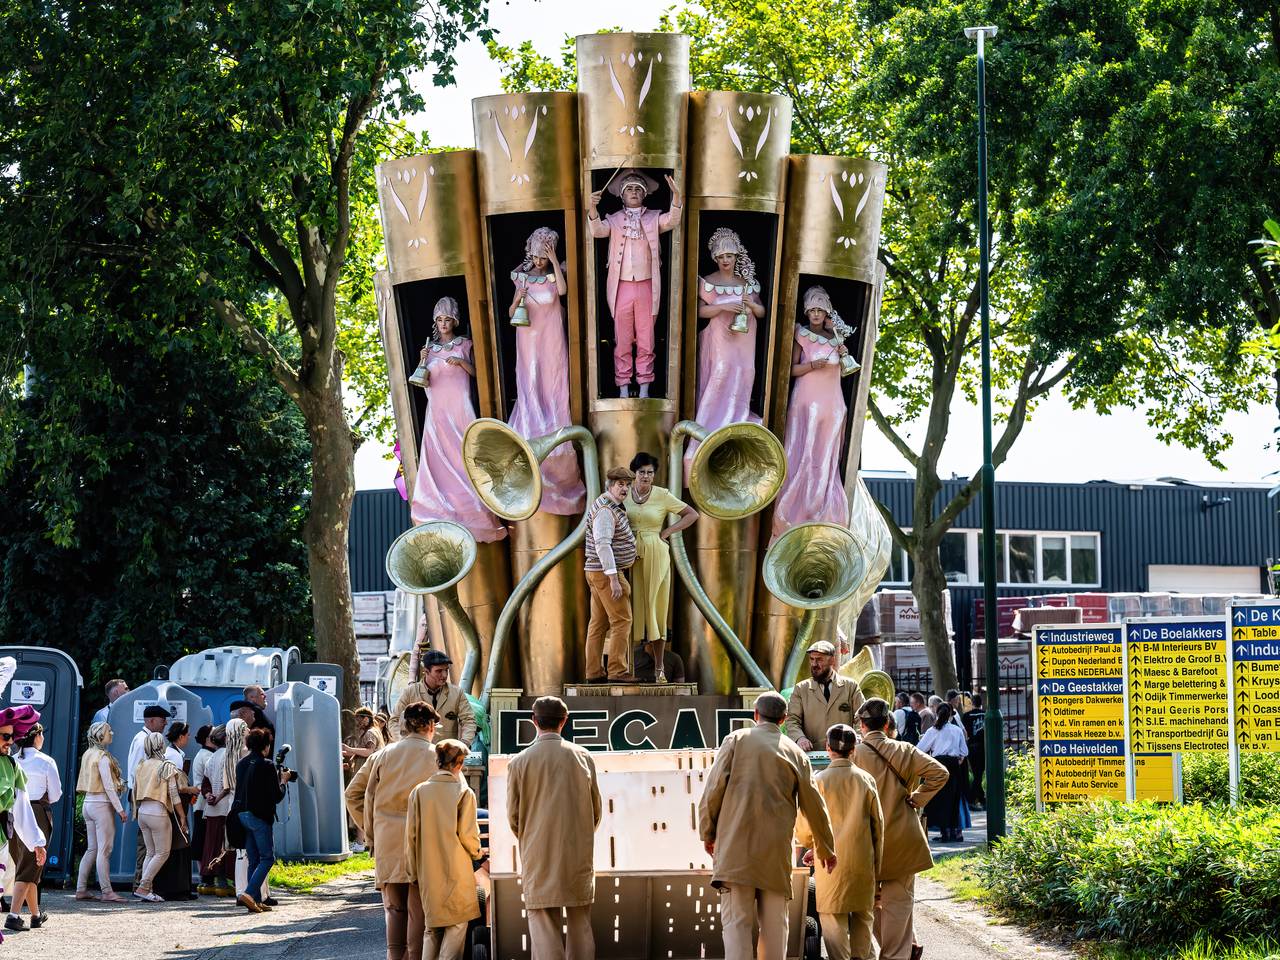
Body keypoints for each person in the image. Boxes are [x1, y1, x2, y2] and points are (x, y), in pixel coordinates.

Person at [698, 691, 836, 960]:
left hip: (735, 854)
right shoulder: (795, 752)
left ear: (755, 715)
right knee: (775, 929)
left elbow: (712, 791)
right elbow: (814, 805)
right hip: (775, 856)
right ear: (783, 720)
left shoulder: (736, 740)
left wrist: (708, 833)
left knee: (736, 926)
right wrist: (826, 848)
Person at [852, 699, 948, 960]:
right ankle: (897, 954)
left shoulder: (854, 754)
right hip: (903, 839)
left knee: (865, 904)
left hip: (865, 840)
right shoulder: (905, 750)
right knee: (899, 905)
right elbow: (940, 773)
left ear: (862, 725)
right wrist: (917, 798)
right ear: (886, 724)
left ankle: (894, 948)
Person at [506, 696, 601, 960]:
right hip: (577, 852)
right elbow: (596, 810)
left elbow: (513, 816)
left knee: (544, 923)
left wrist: (530, 836)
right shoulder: (583, 757)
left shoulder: (519, 761)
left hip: (538, 853)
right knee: (580, 923)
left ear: (534, 721)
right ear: (564, 721)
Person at [410, 296, 507, 540]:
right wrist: (422, 359)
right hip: (438, 410)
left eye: (447, 319)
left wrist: (461, 362)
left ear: (454, 321)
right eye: (439, 320)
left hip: (460, 407)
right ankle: (440, 509)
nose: (443, 324)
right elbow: (423, 382)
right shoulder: (429, 348)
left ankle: (475, 509)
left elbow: (477, 374)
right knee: (439, 456)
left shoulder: (465, 344)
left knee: (465, 452)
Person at [507, 226, 585, 514]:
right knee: (530, 379)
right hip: (527, 336)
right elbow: (510, 311)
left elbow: (563, 291)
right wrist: (519, 296)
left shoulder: (554, 273)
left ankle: (553, 430)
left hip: (551, 335)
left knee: (553, 380)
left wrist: (553, 261)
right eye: (537, 257)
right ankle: (530, 426)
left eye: (543, 257)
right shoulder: (523, 277)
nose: (539, 262)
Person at [587, 169, 683, 398]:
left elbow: (672, 221)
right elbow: (598, 231)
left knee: (646, 338)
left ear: (644, 194)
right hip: (621, 286)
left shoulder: (653, 216)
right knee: (621, 339)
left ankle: (644, 389)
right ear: (621, 195)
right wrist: (592, 207)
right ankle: (622, 388)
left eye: (637, 189)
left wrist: (677, 198)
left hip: (647, 285)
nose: (633, 192)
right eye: (629, 189)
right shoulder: (614, 218)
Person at [771, 286, 856, 540]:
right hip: (806, 403)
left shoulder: (837, 339)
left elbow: (844, 372)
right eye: (813, 310)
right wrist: (810, 365)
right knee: (803, 452)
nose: (816, 314)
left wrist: (842, 353)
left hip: (832, 403)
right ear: (807, 312)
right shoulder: (801, 334)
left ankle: (821, 512)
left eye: (820, 310)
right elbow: (790, 370)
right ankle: (795, 513)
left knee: (825, 454)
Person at [361, 701, 441, 960]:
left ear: (404, 725)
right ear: (431, 726)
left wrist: (370, 832)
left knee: (394, 909)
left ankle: (394, 957)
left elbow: (363, 796)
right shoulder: (438, 755)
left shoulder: (384, 755)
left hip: (387, 839)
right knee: (418, 909)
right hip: (423, 840)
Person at [796, 725, 883, 960]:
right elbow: (878, 829)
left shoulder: (819, 781)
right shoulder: (866, 780)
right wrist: (878, 870)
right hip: (862, 863)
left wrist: (811, 846)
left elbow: (804, 828)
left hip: (829, 865)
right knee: (864, 918)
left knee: (832, 920)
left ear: (827, 748)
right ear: (854, 750)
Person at [687, 227, 765, 463]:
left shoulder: (749, 285)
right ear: (715, 258)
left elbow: (762, 313)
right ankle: (709, 431)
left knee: (745, 374)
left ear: (736, 257)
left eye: (729, 257)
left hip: (745, 339)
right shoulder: (708, 282)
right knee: (721, 373)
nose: (725, 261)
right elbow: (700, 311)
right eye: (720, 257)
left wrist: (750, 305)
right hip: (720, 338)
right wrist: (722, 307)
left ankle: (736, 426)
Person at [624, 451, 698, 684]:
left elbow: (691, 514)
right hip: (627, 553)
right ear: (633, 474)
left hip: (655, 551)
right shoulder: (624, 493)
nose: (646, 476)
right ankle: (624, 668)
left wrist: (667, 532)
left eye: (650, 472)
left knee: (655, 609)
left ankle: (659, 669)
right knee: (627, 611)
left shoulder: (662, 495)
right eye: (641, 472)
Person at [405, 740, 483, 960]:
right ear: (459, 764)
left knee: (432, 929)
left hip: (427, 870)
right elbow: (468, 836)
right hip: (456, 870)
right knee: (457, 925)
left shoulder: (418, 792)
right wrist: (480, 855)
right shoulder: (463, 793)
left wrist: (411, 871)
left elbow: (410, 836)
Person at [583, 466, 639, 683]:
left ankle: (594, 672)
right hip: (605, 573)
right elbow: (603, 545)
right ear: (610, 485)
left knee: (597, 623)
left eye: (627, 484)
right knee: (622, 620)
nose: (624, 488)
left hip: (597, 571)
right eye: (620, 484)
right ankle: (617, 671)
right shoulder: (606, 510)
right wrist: (614, 578)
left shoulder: (610, 505)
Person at [8, 723, 60, 930]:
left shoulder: (11, 761)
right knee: (30, 865)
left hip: (11, 813)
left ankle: (36, 915)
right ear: (37, 736)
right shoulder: (46, 761)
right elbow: (55, 795)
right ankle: (13, 915)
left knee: (28, 865)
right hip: (37, 810)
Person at [0, 704, 46, 933]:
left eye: (12, 736)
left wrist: (36, 842)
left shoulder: (12, 765)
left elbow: (22, 807)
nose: (10, 741)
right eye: (5, 736)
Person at [233, 728, 288, 914]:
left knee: (253, 858)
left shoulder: (241, 764)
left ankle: (254, 900)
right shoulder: (267, 764)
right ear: (265, 746)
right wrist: (284, 781)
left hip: (242, 814)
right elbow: (276, 796)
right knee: (267, 858)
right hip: (259, 816)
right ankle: (249, 894)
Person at [75, 722, 127, 903]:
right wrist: (120, 810)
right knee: (104, 850)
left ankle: (81, 889)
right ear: (100, 736)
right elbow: (109, 787)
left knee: (92, 849)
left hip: (88, 803)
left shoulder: (88, 754)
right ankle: (107, 892)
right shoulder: (103, 757)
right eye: (108, 731)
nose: (111, 733)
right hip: (101, 805)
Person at [785, 640, 865, 751]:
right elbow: (792, 719)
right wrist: (800, 738)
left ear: (832, 660)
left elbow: (862, 717)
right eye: (811, 659)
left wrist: (858, 735)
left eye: (819, 659)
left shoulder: (851, 686)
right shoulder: (800, 689)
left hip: (844, 753)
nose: (814, 664)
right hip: (811, 755)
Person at [131, 732, 182, 903]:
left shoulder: (141, 765)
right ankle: (144, 887)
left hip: (142, 812)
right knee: (162, 853)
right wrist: (182, 817)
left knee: (150, 853)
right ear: (161, 746)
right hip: (158, 812)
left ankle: (146, 889)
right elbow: (174, 796)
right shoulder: (166, 766)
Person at [388, 650, 476, 745]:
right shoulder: (410, 692)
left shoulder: (457, 693)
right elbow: (394, 721)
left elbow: (469, 720)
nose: (445, 675)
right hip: (418, 753)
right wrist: (404, 742)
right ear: (426, 671)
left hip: (447, 755)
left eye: (446, 670)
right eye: (439, 671)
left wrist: (464, 743)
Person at [154, 722, 199, 901]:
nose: (188, 738)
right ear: (181, 736)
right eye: (187, 735)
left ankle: (176, 888)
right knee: (179, 845)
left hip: (172, 805)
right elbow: (177, 786)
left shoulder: (172, 753)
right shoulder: (174, 756)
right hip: (175, 805)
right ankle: (178, 889)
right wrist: (192, 789)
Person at [127, 704, 171, 885]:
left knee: (148, 843)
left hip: (141, 795)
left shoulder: (143, 738)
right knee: (145, 844)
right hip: (142, 795)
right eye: (162, 721)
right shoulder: (142, 741)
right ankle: (141, 882)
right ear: (151, 721)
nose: (165, 724)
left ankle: (144, 882)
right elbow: (138, 771)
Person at [917, 704, 968, 843]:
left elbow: (920, 749)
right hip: (953, 765)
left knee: (939, 799)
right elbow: (964, 751)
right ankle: (955, 832)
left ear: (937, 713)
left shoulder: (932, 731)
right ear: (951, 713)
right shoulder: (957, 730)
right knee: (953, 799)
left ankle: (944, 832)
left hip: (938, 764)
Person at [197, 725, 234, 896]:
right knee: (224, 844)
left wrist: (209, 795)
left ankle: (207, 880)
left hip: (211, 809)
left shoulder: (212, 757)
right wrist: (217, 798)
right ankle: (222, 881)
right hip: (226, 807)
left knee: (211, 844)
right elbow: (228, 785)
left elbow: (205, 783)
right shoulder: (230, 756)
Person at [188, 725, 215, 891]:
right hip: (204, 804)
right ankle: (204, 876)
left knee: (202, 839)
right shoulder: (207, 756)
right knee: (202, 840)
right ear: (207, 738)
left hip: (202, 804)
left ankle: (205, 875)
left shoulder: (206, 754)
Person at [962, 694, 986, 808]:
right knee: (978, 774)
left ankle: (976, 798)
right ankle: (978, 799)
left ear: (972, 703)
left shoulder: (966, 716)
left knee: (977, 774)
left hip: (972, 747)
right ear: (981, 703)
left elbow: (965, 732)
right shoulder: (986, 714)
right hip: (983, 748)